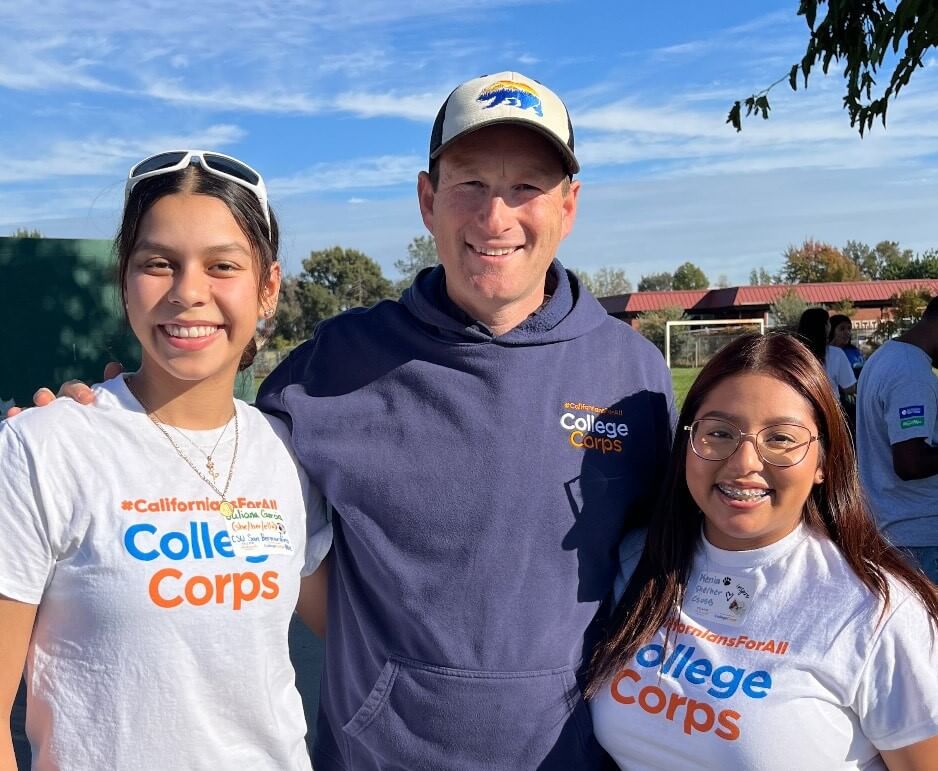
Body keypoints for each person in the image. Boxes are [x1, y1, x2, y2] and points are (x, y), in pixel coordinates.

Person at [22, 72, 676, 769]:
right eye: (471, 185)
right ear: (428, 200)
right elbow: (210, 428)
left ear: (569, 206)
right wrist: (109, 414)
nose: (496, 217)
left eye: (526, 188)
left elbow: (672, 562)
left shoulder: (632, 376)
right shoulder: (336, 362)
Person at [0, 151, 332, 770]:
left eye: (222, 265)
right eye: (159, 264)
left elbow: (358, 635)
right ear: (124, 282)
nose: (188, 293)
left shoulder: (289, 453)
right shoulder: (41, 449)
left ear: (267, 288)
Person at [587, 333, 938, 770]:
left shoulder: (878, 610)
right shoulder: (638, 562)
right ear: (688, 447)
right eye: (718, 432)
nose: (744, 463)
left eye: (780, 439)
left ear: (824, 462)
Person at [856, 296, 938, 582]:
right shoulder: (911, 375)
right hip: (919, 536)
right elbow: (910, 463)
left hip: (891, 525)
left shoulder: (885, 356)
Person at [797, 307, 856, 398]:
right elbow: (850, 388)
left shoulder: (794, 353)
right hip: (828, 408)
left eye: (849, 329)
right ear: (825, 327)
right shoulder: (836, 354)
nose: (847, 332)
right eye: (842, 329)